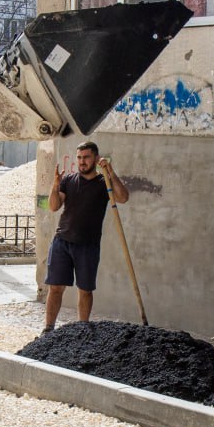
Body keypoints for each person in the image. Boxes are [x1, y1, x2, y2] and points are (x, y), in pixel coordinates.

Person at [43, 140, 129, 332]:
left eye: (86, 157)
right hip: (62, 242)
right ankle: (48, 329)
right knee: (55, 287)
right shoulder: (68, 180)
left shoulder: (103, 183)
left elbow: (123, 197)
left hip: (88, 245)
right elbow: (53, 206)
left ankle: (82, 329)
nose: (82, 162)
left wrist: (111, 173)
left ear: (96, 159)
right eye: (79, 158)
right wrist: (55, 186)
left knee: (85, 290)